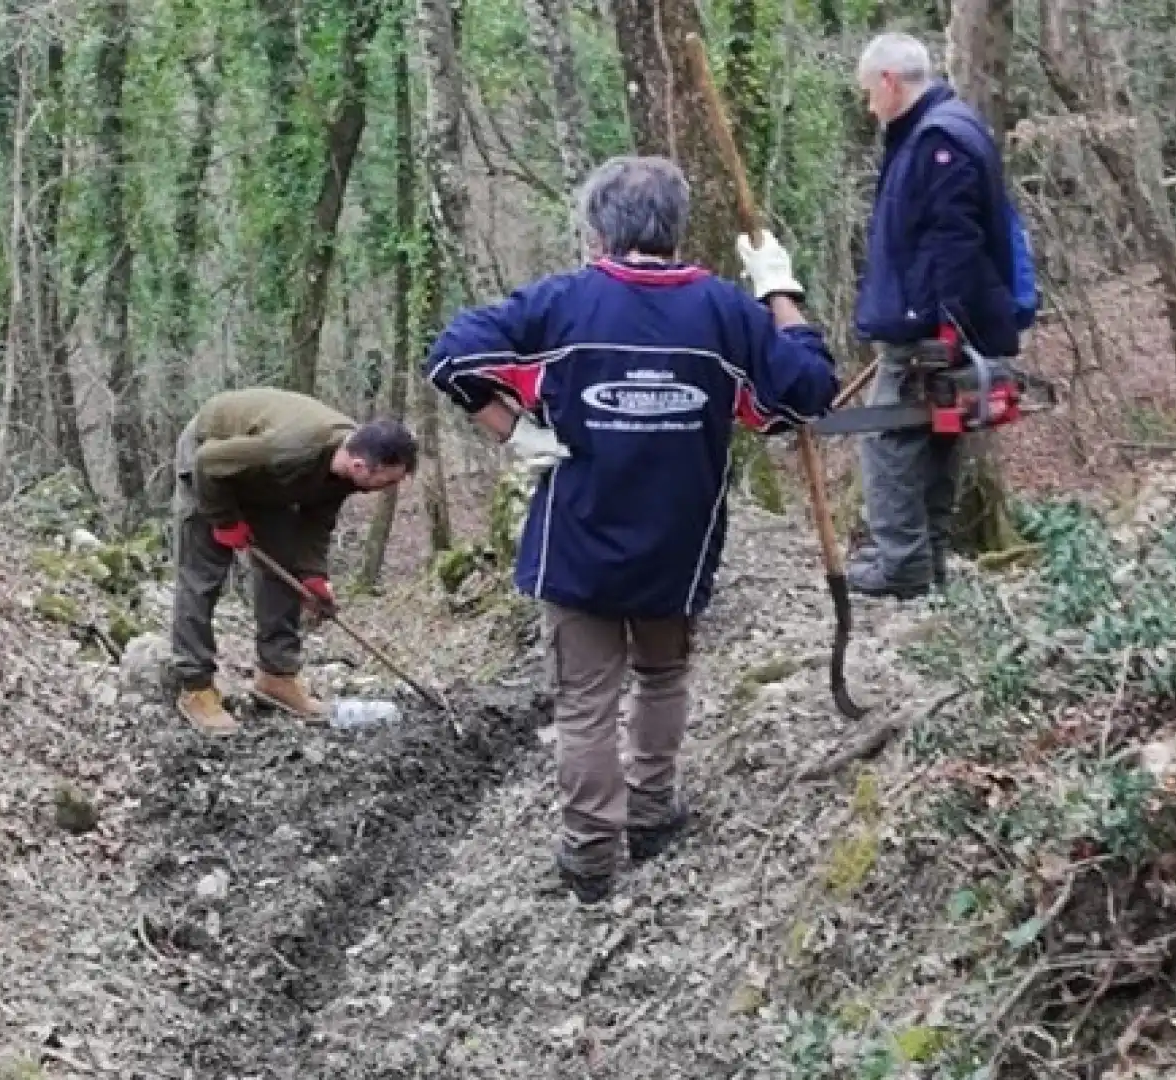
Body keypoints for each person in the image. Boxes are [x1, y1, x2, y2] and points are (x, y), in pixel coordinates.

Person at [421, 155, 839, 904]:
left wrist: (508, 428)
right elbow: (807, 389)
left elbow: (451, 355)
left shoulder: (565, 303)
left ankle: (589, 858)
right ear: (675, 229)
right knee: (662, 675)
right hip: (676, 546)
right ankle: (649, 812)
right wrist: (780, 292)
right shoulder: (724, 312)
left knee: (585, 702)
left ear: (599, 230)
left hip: (578, 540)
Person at [847, 31, 1034, 598]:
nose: (868, 105)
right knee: (933, 436)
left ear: (888, 81)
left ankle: (905, 565)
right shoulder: (944, 129)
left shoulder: (937, 140)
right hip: (931, 320)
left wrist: (947, 332)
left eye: (868, 91)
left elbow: (956, 241)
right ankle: (927, 561)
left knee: (888, 437)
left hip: (927, 327)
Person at [169, 387, 416, 736]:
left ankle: (276, 675)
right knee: (202, 577)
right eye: (386, 481)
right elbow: (209, 462)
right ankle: (196, 687)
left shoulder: (347, 466)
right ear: (361, 465)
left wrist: (313, 574)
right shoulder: (290, 449)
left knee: (281, 565)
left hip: (262, 482)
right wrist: (225, 521)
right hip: (210, 462)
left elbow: (319, 517)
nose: (387, 489)